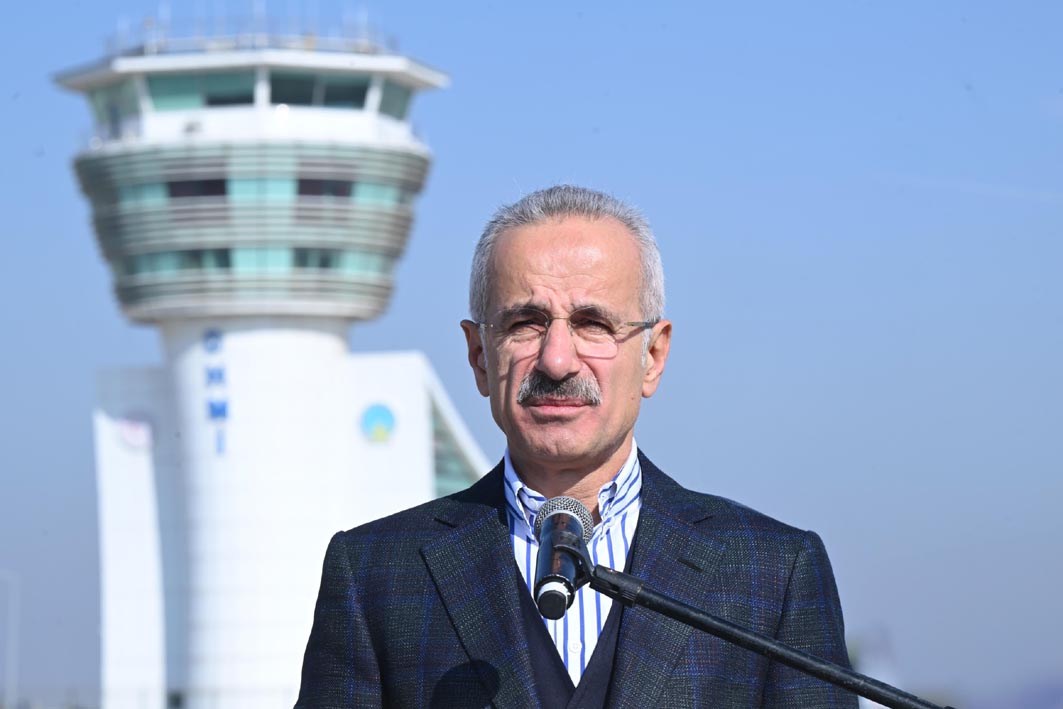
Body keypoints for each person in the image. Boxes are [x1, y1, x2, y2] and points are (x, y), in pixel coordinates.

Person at [296, 185, 857, 708]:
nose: (557, 360)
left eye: (593, 323)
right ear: (478, 356)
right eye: (525, 323)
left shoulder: (772, 572)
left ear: (653, 356)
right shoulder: (375, 573)